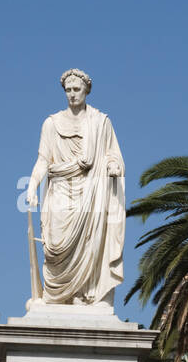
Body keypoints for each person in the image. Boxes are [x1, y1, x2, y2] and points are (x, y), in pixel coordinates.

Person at [25, 69, 124, 306]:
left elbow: (113, 155)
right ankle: (55, 296)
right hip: (60, 188)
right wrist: (31, 186)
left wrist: (112, 165)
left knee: (91, 241)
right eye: (68, 90)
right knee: (55, 245)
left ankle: (84, 294)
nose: (72, 94)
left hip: (92, 190)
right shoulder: (51, 124)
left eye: (76, 89)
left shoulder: (101, 122)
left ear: (86, 90)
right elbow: (43, 159)